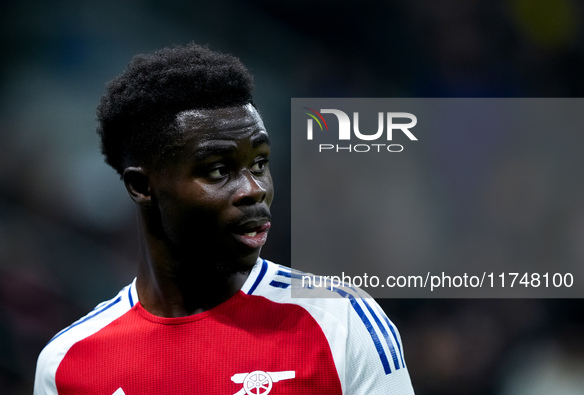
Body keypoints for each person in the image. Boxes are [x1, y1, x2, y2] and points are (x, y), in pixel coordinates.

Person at [33, 43, 414, 395]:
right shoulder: (66, 364)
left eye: (260, 163)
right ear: (141, 187)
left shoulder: (340, 321)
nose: (254, 189)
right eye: (218, 170)